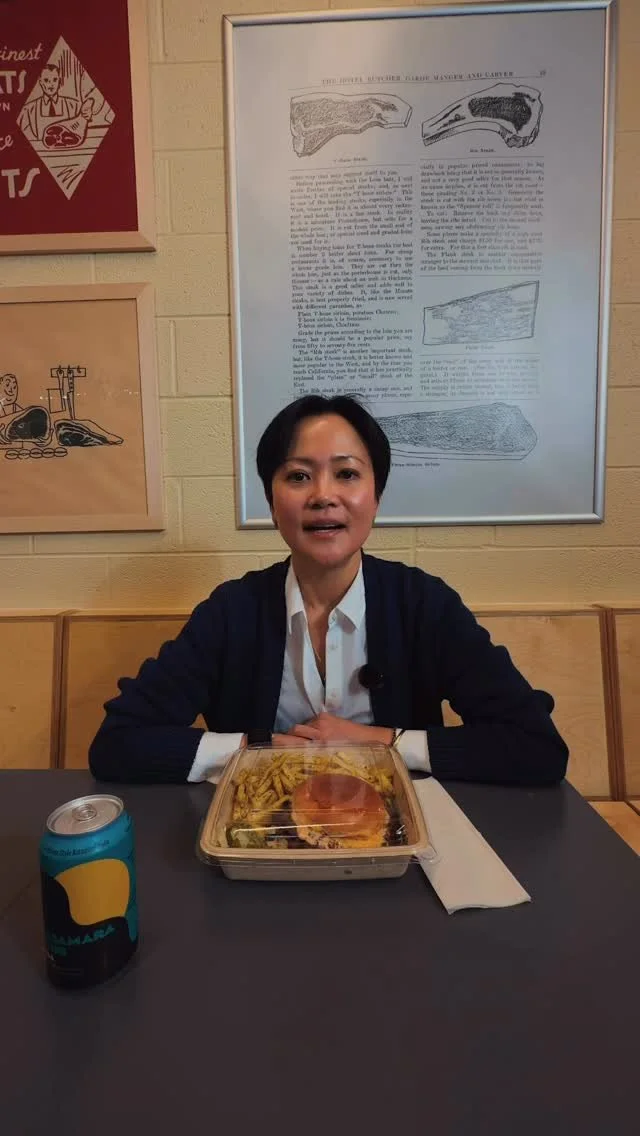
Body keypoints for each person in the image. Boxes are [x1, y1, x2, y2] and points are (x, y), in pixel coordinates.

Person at [89, 395, 568, 786]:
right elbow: (118, 742)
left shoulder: (424, 604)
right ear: (272, 502)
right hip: (263, 839)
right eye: (298, 476)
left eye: (347, 474)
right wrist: (255, 749)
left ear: (376, 496)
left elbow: (535, 746)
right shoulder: (232, 612)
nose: (322, 495)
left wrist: (385, 742)